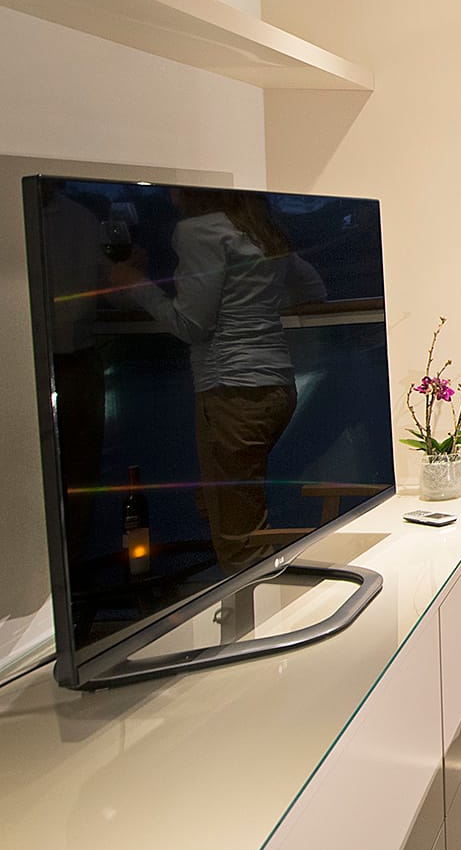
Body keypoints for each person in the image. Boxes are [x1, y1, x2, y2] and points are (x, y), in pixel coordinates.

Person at [111, 189, 325, 570]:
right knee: (220, 503)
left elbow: (192, 325)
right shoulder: (259, 229)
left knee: (239, 539)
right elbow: (313, 289)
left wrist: (136, 284)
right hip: (276, 389)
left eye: (177, 188)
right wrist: (255, 309)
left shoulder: (200, 231)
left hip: (231, 392)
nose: (173, 197)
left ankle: (261, 622)